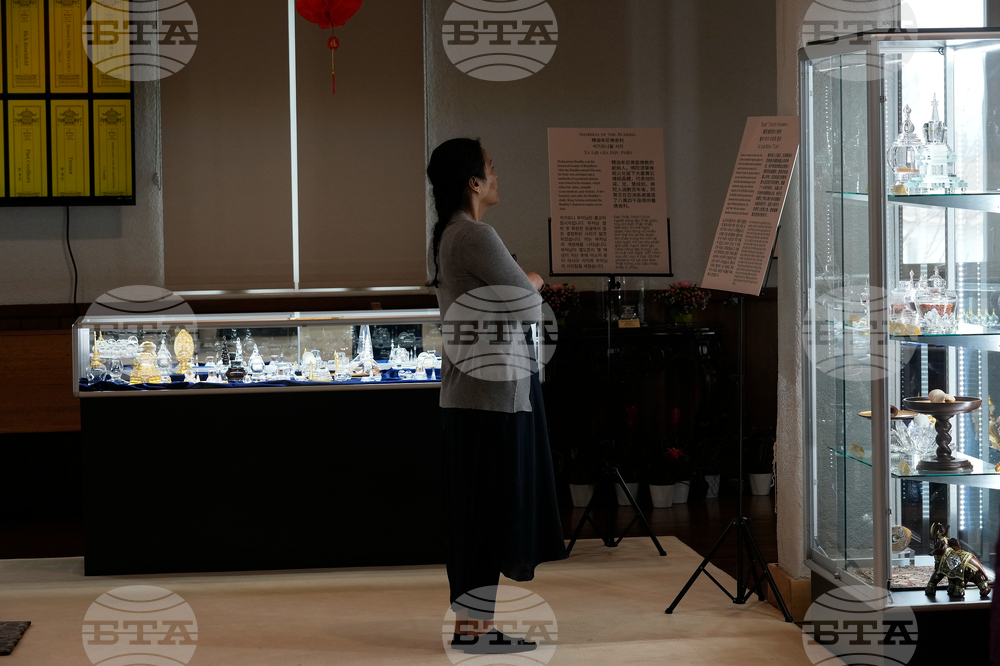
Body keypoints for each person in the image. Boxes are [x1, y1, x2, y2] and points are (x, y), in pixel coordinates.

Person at [426, 138, 567, 655]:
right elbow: (528, 304)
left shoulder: (451, 233)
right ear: (473, 182)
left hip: (474, 394)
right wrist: (532, 278)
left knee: (475, 518)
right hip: (489, 397)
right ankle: (474, 632)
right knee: (486, 519)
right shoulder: (475, 234)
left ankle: (472, 628)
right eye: (491, 167)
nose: (496, 175)